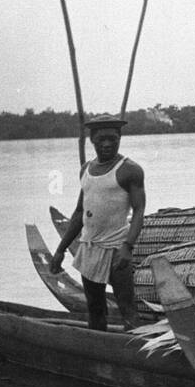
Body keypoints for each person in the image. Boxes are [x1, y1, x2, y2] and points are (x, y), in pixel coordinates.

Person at [50, 114, 146, 333]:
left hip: (116, 249)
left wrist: (127, 246)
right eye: (101, 139)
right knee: (95, 307)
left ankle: (138, 351)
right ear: (92, 139)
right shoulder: (86, 169)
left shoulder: (130, 170)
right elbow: (79, 213)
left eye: (112, 138)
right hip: (90, 247)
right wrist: (60, 250)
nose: (107, 143)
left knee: (127, 306)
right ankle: (98, 345)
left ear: (119, 138)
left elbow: (139, 211)